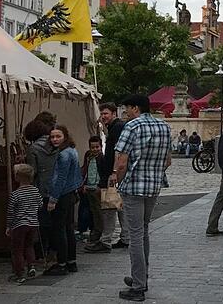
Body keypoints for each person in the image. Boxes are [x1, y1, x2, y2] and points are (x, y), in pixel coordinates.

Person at [112, 94, 172, 302]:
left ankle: (138, 286)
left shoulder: (132, 127)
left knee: (135, 234)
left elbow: (121, 162)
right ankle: (142, 276)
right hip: (154, 186)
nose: (126, 112)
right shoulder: (163, 127)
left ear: (135, 108)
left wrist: (119, 181)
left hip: (133, 186)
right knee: (144, 230)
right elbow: (168, 161)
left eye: (127, 108)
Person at [88, 102, 129, 253]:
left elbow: (118, 151)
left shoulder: (117, 127)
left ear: (114, 113)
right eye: (102, 113)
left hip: (113, 175)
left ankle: (105, 241)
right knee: (118, 206)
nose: (103, 116)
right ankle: (125, 238)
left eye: (106, 113)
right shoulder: (114, 127)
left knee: (109, 207)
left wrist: (113, 172)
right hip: (115, 174)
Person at [45, 125, 82, 276]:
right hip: (71, 192)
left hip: (63, 194)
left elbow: (60, 178)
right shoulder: (72, 150)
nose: (54, 139)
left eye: (58, 136)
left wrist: (53, 199)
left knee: (59, 229)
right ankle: (71, 261)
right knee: (68, 228)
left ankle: (62, 263)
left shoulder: (63, 155)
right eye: (52, 137)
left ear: (65, 136)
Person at [23, 112, 57, 255]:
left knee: (41, 222)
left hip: (40, 189)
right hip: (56, 188)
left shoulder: (33, 149)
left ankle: (40, 251)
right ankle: (53, 250)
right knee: (54, 223)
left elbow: (32, 171)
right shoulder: (56, 144)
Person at [6, 164, 42, 284]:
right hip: (33, 223)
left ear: (17, 177)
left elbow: (11, 211)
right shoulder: (35, 191)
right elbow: (40, 204)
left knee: (18, 249)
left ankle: (19, 273)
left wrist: (8, 226)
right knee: (29, 246)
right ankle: (31, 266)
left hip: (19, 224)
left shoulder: (15, 194)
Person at [80, 135, 104, 247]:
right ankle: (92, 232)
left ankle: (97, 234)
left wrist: (100, 185)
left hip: (97, 188)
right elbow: (85, 169)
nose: (95, 149)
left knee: (98, 212)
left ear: (101, 146)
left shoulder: (102, 158)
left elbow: (103, 172)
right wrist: (84, 184)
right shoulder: (88, 156)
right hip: (88, 187)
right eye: (92, 147)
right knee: (91, 211)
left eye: (97, 147)